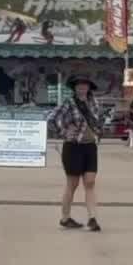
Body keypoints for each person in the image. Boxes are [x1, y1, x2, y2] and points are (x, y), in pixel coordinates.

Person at [49, 74, 102, 231]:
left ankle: (92, 218)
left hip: (90, 146)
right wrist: (64, 132)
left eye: (85, 84)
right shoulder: (69, 103)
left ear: (89, 87)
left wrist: (98, 133)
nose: (82, 87)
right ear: (74, 87)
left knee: (90, 182)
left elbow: (98, 121)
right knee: (72, 184)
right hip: (73, 147)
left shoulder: (94, 102)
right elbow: (52, 118)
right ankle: (65, 218)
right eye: (79, 85)